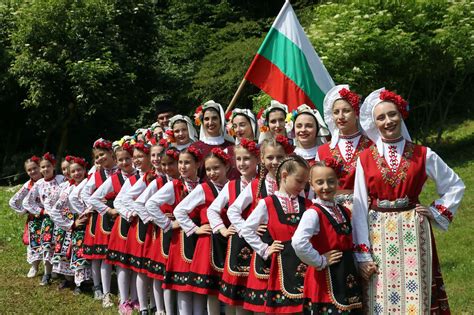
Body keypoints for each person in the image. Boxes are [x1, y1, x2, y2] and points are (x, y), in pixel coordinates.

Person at [352, 88, 465, 314]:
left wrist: (435, 211)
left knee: (417, 292)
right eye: (381, 117)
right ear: (374, 123)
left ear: (401, 114)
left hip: (414, 231)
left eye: (392, 114)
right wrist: (362, 253)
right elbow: (360, 205)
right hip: (378, 234)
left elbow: (455, 185)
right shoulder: (365, 158)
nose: (388, 121)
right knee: (380, 293)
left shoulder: (423, 154)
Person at [227, 135, 293, 313]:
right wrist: (250, 230)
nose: (275, 162)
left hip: (288, 248)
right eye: (270, 157)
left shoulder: (295, 184)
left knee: (287, 301)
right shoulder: (257, 184)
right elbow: (232, 211)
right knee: (261, 304)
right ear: (262, 159)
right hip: (263, 248)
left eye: (279, 157)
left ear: (287, 157)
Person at [241, 155, 311, 314]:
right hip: (279, 265)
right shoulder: (268, 202)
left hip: (303, 264)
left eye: (305, 183)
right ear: (285, 176)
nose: (303, 186)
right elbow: (246, 229)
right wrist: (265, 249)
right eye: (299, 181)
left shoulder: (307, 204)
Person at [292, 161, 362, 314]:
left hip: (347, 274)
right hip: (325, 277)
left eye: (331, 181)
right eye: (320, 182)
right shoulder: (312, 213)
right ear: (311, 185)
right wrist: (319, 260)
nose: (326, 187)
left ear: (338, 181)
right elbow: (298, 242)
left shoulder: (343, 210)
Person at [174, 148, 233, 315]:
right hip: (209, 242)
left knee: (228, 286)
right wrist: (195, 229)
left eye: (216, 168)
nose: (212, 173)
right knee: (211, 288)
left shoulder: (233, 186)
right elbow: (180, 210)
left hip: (228, 239)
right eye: (208, 169)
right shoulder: (204, 188)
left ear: (226, 167)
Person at [145, 147, 202, 315]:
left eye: (187, 163)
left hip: (199, 239)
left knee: (197, 282)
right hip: (181, 241)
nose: (183, 167)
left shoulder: (204, 185)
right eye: (181, 163)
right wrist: (168, 224)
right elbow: (150, 204)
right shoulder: (174, 185)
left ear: (197, 164)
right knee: (182, 282)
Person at [207, 138, 259, 314]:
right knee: (236, 292)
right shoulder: (231, 185)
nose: (242, 163)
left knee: (258, 291)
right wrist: (222, 229)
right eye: (239, 159)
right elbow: (212, 210)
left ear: (257, 160)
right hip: (237, 244)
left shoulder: (264, 183)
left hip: (259, 244)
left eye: (247, 158)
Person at [317, 85, 372, 209]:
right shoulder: (323, 150)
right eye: (336, 112)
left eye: (346, 111)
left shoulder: (371, 146)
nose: (340, 117)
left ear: (356, 113)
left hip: (364, 209)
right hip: (333, 211)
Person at [105, 142, 141, 314]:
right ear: (116, 161)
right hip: (123, 224)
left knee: (134, 262)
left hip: (136, 225)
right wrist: (111, 210)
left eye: (128, 158)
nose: (126, 162)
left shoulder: (140, 175)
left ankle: (135, 298)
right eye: (121, 159)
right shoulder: (119, 178)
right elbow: (95, 198)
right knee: (122, 264)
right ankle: (123, 299)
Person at [80, 138, 118, 300]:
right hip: (99, 219)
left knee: (109, 255)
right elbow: (83, 194)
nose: (100, 159)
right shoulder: (97, 174)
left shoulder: (121, 171)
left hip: (117, 216)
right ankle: (98, 288)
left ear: (111, 153)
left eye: (102, 154)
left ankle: (110, 288)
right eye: (97, 157)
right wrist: (96, 206)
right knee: (98, 255)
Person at [49, 157, 92, 294]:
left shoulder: (90, 183)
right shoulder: (69, 187)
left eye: (79, 170)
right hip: (76, 223)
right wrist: (71, 223)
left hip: (90, 222)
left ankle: (86, 282)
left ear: (85, 170)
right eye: (73, 171)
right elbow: (55, 208)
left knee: (83, 252)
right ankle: (74, 280)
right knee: (76, 251)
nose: (76, 173)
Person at [23, 152, 66, 285]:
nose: (45, 169)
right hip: (48, 220)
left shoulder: (61, 179)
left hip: (62, 219)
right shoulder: (39, 184)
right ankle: (47, 274)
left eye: (48, 166)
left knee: (60, 245)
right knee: (47, 246)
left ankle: (62, 273)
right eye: (42, 167)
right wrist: (41, 211)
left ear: (53, 166)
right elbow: (27, 202)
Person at [9, 155, 43, 278]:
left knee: (50, 242)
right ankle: (34, 267)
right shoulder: (27, 185)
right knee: (34, 243)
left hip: (50, 217)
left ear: (40, 167)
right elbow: (13, 201)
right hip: (35, 218)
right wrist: (24, 211)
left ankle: (53, 269)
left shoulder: (50, 180)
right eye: (29, 170)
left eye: (35, 168)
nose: (33, 171)